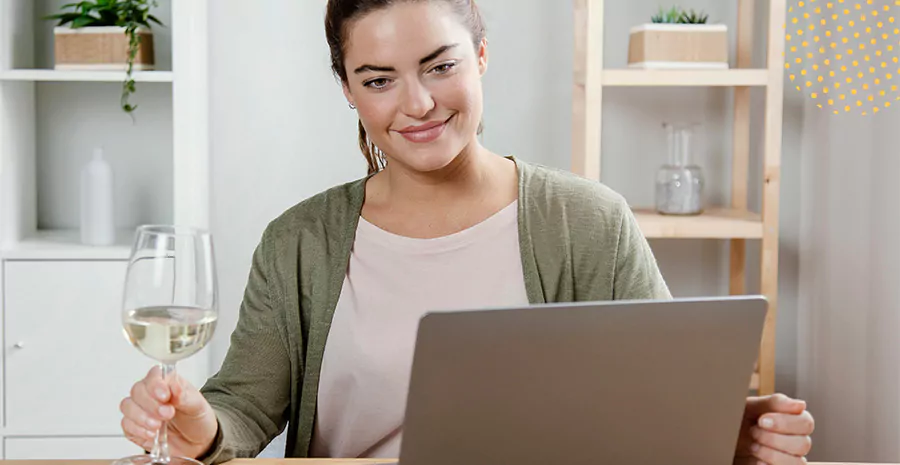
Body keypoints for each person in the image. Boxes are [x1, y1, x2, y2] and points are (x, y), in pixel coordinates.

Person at [119, 0, 815, 463]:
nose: (417, 103)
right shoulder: (298, 241)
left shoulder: (590, 221)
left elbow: (661, 399)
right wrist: (200, 424)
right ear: (348, 90)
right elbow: (242, 406)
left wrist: (735, 431)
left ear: (481, 56)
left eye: (441, 65)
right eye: (379, 78)